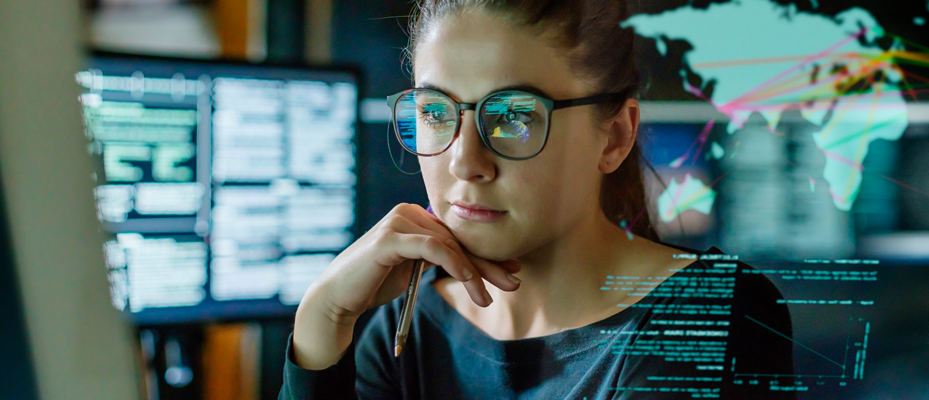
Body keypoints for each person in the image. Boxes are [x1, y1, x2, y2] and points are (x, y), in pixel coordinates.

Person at [280, 0, 794, 398]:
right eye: (435, 112)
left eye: (514, 116)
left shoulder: (714, 318)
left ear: (614, 136)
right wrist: (321, 318)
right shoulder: (407, 327)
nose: (464, 162)